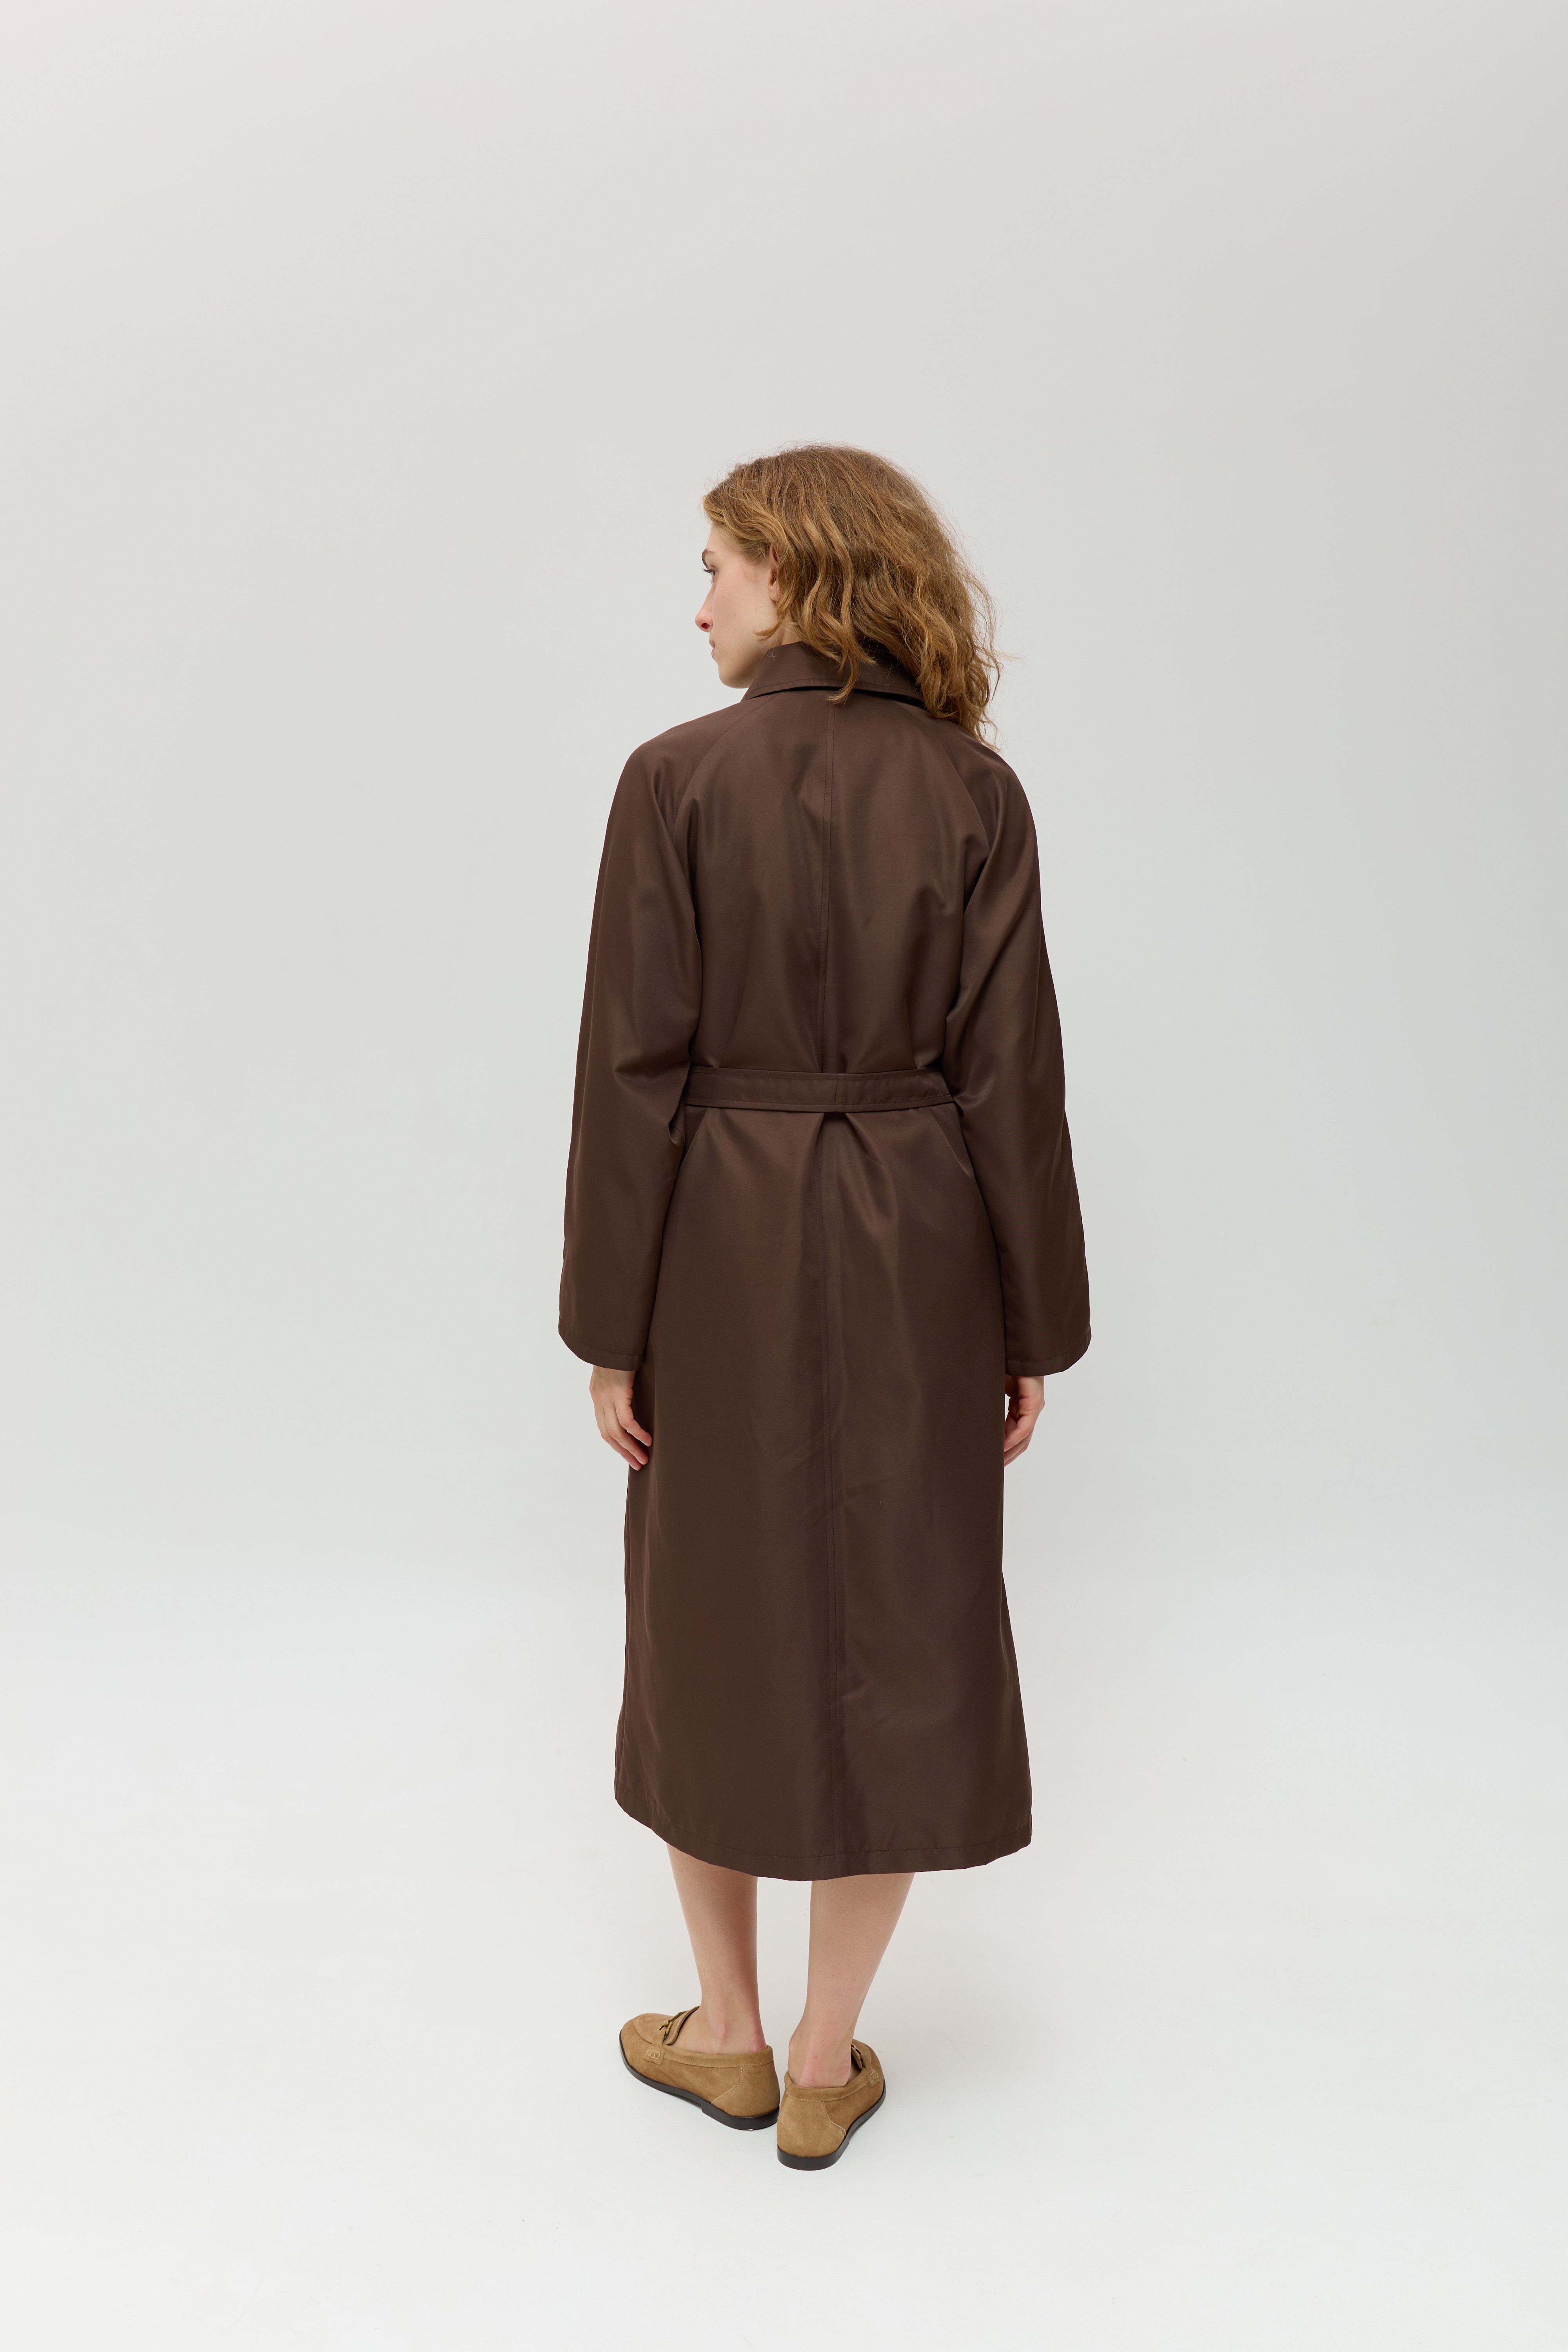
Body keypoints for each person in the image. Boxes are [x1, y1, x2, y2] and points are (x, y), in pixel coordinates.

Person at [559, 445, 1090, 2171]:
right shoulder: (973, 792)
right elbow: (1014, 1084)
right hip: (924, 1243)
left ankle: (720, 2029)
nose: (698, 602)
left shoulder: (671, 780)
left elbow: (631, 1074)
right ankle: (819, 2053)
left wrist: (610, 1325)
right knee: (906, 1624)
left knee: (705, 1616)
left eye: (714, 564)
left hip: (717, 1241)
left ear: (789, 571)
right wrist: (1034, 1324)